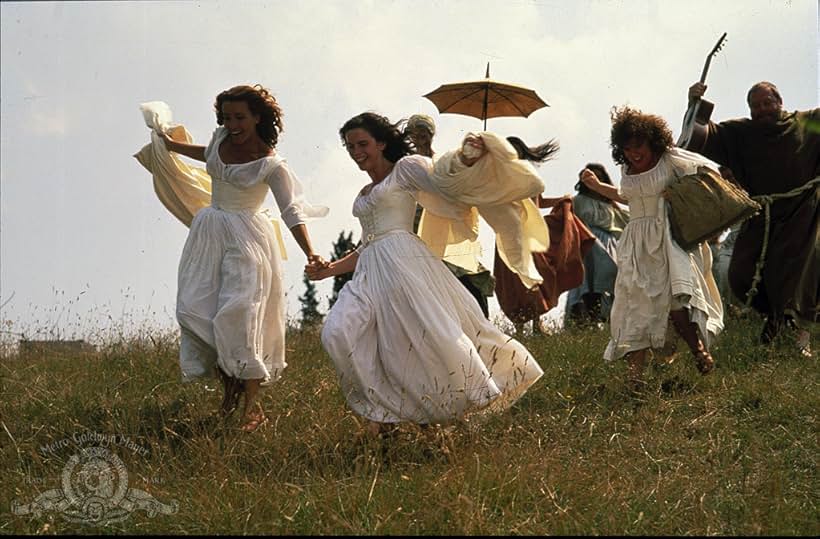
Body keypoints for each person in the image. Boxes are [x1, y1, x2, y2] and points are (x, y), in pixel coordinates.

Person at [306, 112, 543, 434]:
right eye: (349, 146)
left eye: (362, 144)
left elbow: (446, 188)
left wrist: (466, 161)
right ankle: (385, 407)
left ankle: (423, 418)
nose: (356, 152)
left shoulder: (406, 169)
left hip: (405, 264)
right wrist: (329, 270)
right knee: (337, 332)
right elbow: (367, 244)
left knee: (417, 342)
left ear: (382, 142)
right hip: (370, 271)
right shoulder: (364, 190)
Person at [158, 84, 327, 431]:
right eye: (226, 117)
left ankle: (253, 408)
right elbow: (209, 154)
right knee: (196, 311)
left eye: (239, 117)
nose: (232, 123)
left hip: (247, 240)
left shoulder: (271, 165)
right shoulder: (221, 139)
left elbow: (292, 211)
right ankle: (230, 393)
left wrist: (311, 252)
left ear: (258, 117)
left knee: (239, 317)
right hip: (208, 233)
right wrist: (173, 147)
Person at [580, 105, 723, 388]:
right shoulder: (625, 168)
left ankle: (698, 352)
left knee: (674, 300)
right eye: (628, 147)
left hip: (667, 239)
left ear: (651, 140)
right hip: (636, 243)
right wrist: (596, 186)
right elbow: (626, 196)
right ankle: (635, 380)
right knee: (637, 305)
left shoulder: (669, 160)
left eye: (639, 145)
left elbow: (708, 172)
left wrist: (679, 193)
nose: (634, 152)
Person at [687, 81, 819, 356]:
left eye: (766, 103)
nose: (762, 110)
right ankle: (775, 320)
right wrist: (694, 105)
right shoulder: (741, 132)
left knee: (797, 274)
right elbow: (701, 135)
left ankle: (797, 337)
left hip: (802, 214)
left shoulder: (807, 122)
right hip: (762, 214)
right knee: (740, 274)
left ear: (779, 101)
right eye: (755, 106)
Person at [492, 138, 597, 335]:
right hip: (508, 233)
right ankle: (519, 328)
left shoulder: (528, 175)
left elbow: (539, 202)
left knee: (536, 274)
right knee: (513, 279)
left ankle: (536, 323)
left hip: (529, 232)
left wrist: (564, 200)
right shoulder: (499, 179)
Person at [404, 114, 495, 318]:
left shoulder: (442, 162)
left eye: (424, 134)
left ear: (431, 135)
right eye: (416, 134)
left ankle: (483, 325)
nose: (420, 139)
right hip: (418, 231)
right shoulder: (406, 166)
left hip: (448, 227)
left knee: (469, 277)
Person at [564, 163, 628, 327]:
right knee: (589, 281)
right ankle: (587, 318)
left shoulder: (610, 204)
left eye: (599, 176)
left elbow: (628, 219)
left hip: (610, 244)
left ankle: (607, 317)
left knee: (612, 273)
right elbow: (568, 222)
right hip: (587, 244)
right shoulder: (577, 200)